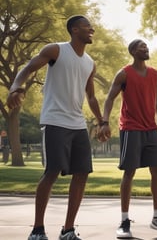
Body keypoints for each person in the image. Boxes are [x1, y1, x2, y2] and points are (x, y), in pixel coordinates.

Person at [6, 15, 103, 240]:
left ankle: (67, 230)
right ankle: (37, 229)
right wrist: (15, 87)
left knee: (82, 173)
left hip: (77, 124)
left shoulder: (90, 62)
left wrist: (102, 121)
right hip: (55, 121)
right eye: (88, 26)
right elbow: (28, 68)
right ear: (75, 29)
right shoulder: (56, 50)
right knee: (51, 172)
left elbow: (91, 96)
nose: (92, 30)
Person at [98, 39, 157, 238]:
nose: (146, 48)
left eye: (146, 46)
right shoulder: (124, 73)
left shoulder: (155, 74)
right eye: (141, 47)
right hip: (131, 128)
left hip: (150, 128)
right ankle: (124, 220)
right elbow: (110, 98)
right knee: (129, 173)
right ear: (133, 52)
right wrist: (104, 121)